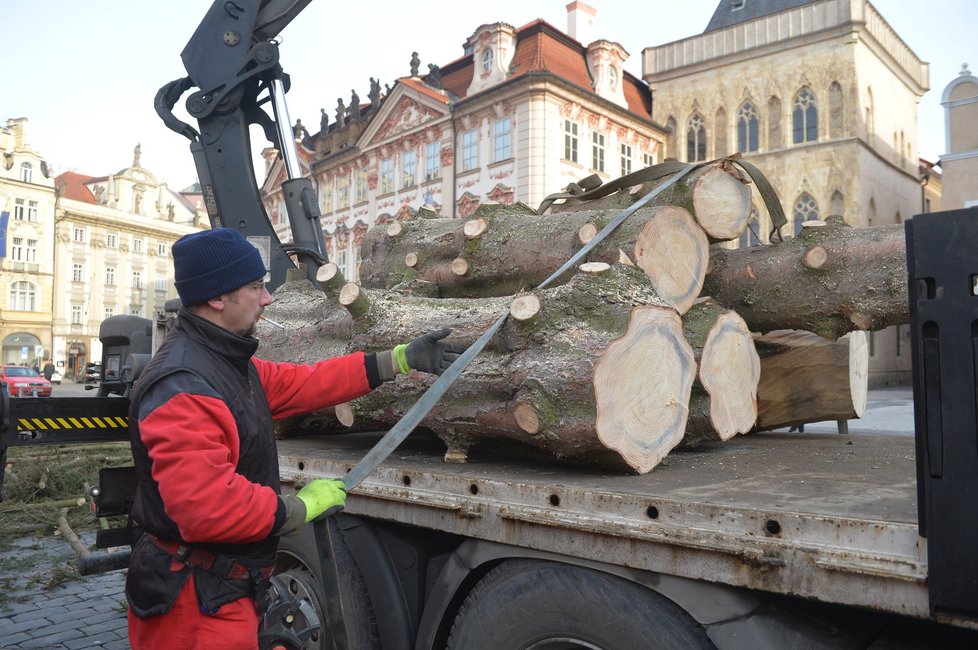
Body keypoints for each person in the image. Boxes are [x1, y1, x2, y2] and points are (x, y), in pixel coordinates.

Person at [125, 228, 464, 649]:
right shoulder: (184, 385)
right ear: (216, 298)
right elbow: (206, 506)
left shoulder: (224, 363)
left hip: (221, 588)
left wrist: (396, 360)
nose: (267, 298)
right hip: (194, 603)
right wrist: (299, 507)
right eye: (255, 287)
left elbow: (303, 383)